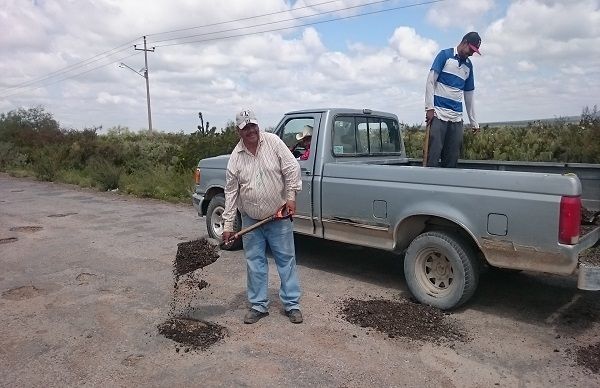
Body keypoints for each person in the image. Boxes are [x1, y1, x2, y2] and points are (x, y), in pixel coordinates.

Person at [222, 108, 304, 324]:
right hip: (250, 218)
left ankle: (292, 305)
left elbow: (292, 168)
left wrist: (291, 197)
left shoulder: (274, 142)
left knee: (286, 260)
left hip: (278, 216)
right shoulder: (235, 158)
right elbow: (230, 192)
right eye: (245, 127)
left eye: (252, 125)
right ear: (238, 131)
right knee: (254, 263)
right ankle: (259, 305)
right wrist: (228, 224)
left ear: (257, 125)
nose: (250, 130)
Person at [424, 31, 481, 168]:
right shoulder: (445, 55)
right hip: (439, 115)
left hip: (456, 119)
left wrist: (474, 122)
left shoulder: (469, 66)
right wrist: (429, 108)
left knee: (451, 160)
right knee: (433, 157)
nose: (472, 54)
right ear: (464, 42)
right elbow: (430, 81)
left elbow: (469, 95)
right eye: (471, 50)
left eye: (475, 51)